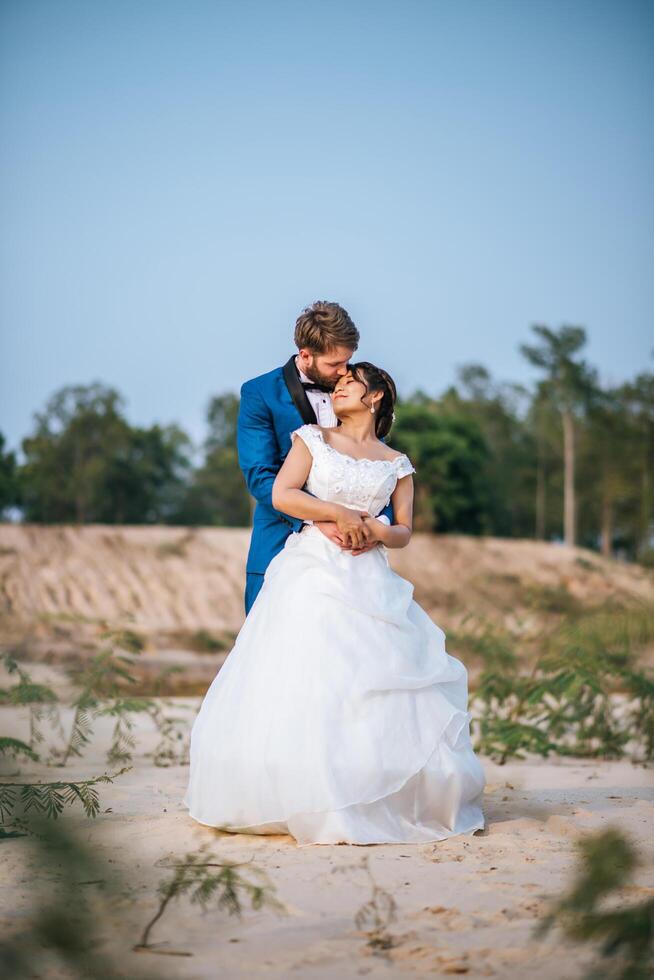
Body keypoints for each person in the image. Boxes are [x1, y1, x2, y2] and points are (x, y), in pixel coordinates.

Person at [182, 359, 487, 846]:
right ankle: (302, 788)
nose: (338, 386)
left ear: (375, 397)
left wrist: (378, 531)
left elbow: (404, 530)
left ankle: (380, 790)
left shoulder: (397, 464)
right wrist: (334, 515)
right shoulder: (310, 439)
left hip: (369, 575)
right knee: (312, 672)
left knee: (374, 676)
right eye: (338, 380)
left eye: (349, 382)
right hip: (313, 568)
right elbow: (282, 494)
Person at [236, 300, 394, 616]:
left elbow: (376, 469)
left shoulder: (356, 393)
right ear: (305, 355)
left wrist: (379, 524)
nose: (343, 372)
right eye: (334, 365)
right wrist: (322, 517)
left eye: (347, 362)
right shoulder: (259, 393)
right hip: (280, 544)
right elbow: (260, 476)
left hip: (354, 559)